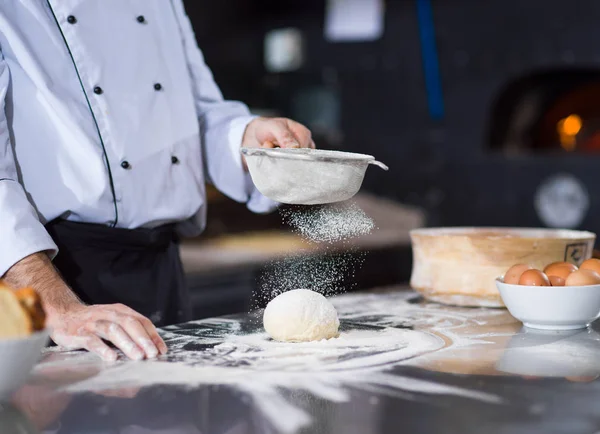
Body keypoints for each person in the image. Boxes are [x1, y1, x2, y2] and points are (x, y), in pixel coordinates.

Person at [0, 2, 314, 361]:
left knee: (173, 408)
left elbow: (196, 112)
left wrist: (247, 139)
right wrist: (53, 305)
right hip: (48, 278)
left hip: (161, 268)